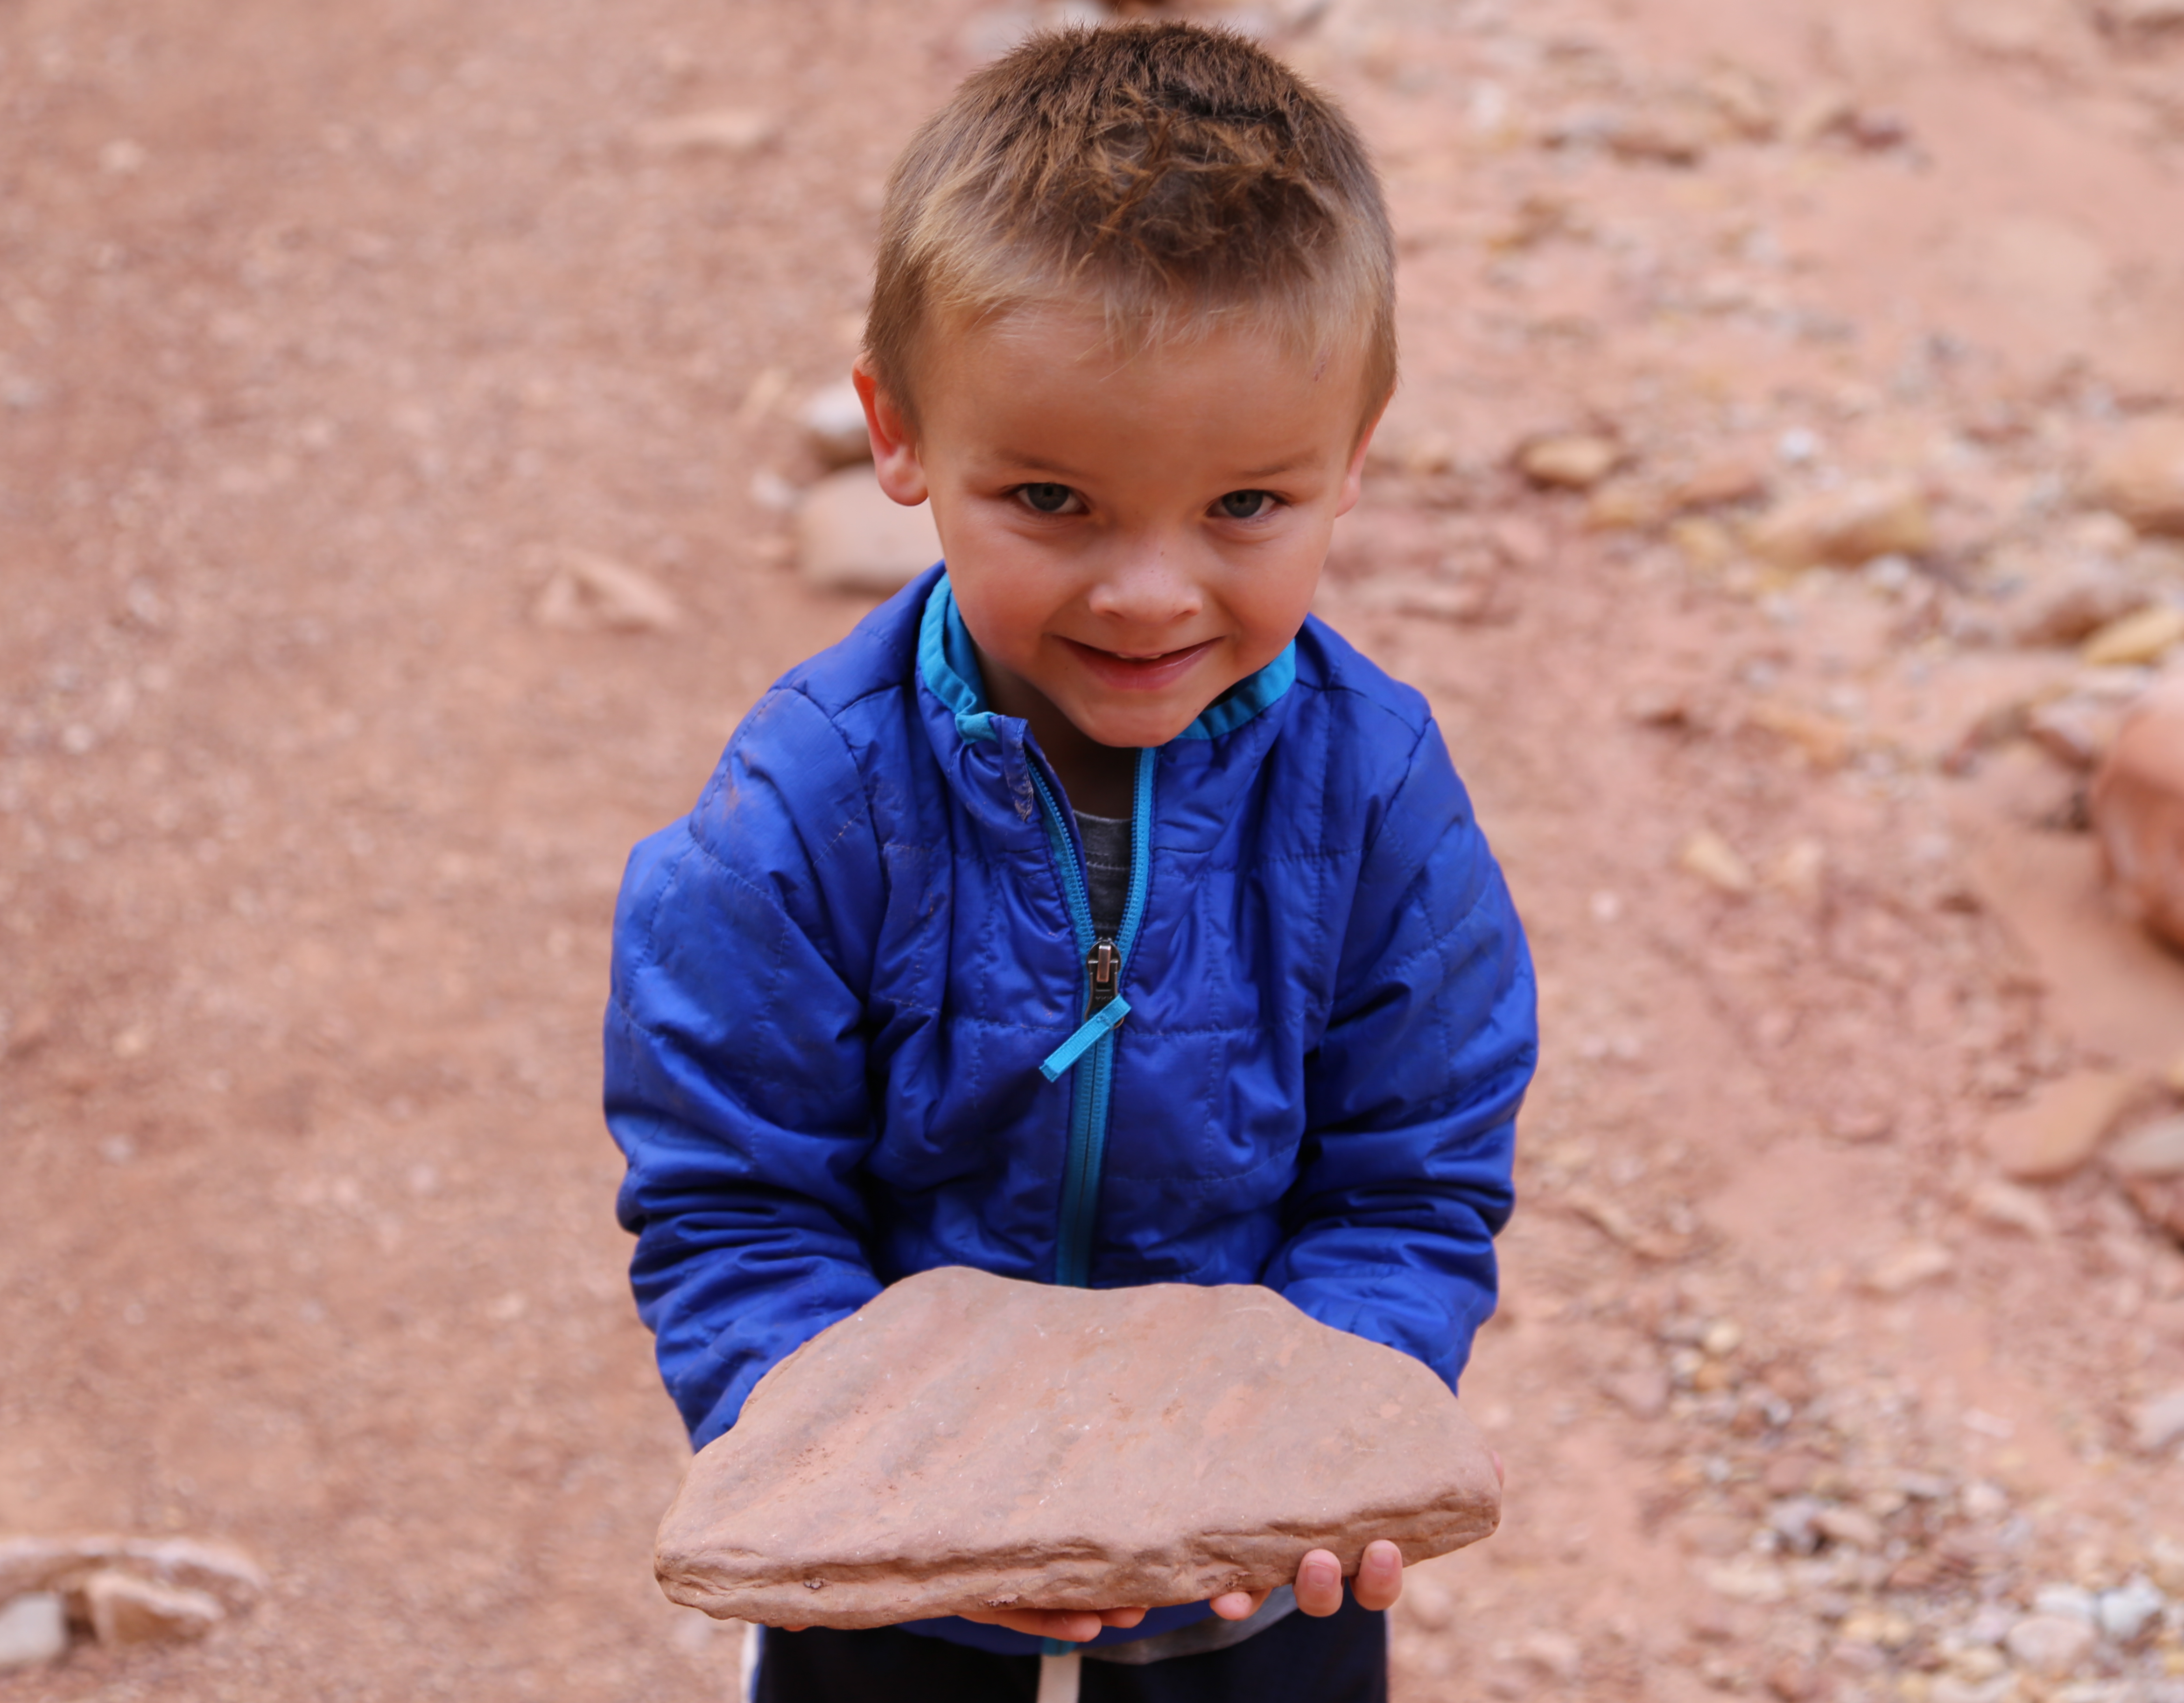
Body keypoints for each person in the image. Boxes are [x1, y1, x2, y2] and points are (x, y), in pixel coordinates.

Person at [605, 20, 1538, 1702]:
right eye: (1053, 497)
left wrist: (1337, 1416)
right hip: (892, 1537)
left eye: (1247, 508)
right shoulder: (810, 804)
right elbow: (735, 1201)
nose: (1149, 595)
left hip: (1263, 1536)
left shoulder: (1376, 790)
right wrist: (903, 1484)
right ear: (898, 434)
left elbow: (1413, 1173)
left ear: (1356, 456)